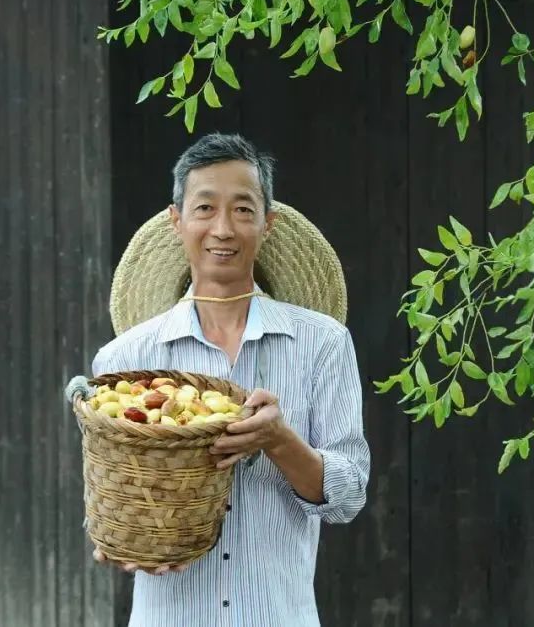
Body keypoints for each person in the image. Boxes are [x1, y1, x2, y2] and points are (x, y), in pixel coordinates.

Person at [90, 132, 370, 626]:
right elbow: (110, 497)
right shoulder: (127, 358)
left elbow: (348, 497)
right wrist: (113, 538)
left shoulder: (322, 344)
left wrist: (280, 441)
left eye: (243, 210)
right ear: (177, 222)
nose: (223, 228)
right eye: (204, 209)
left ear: (268, 224)